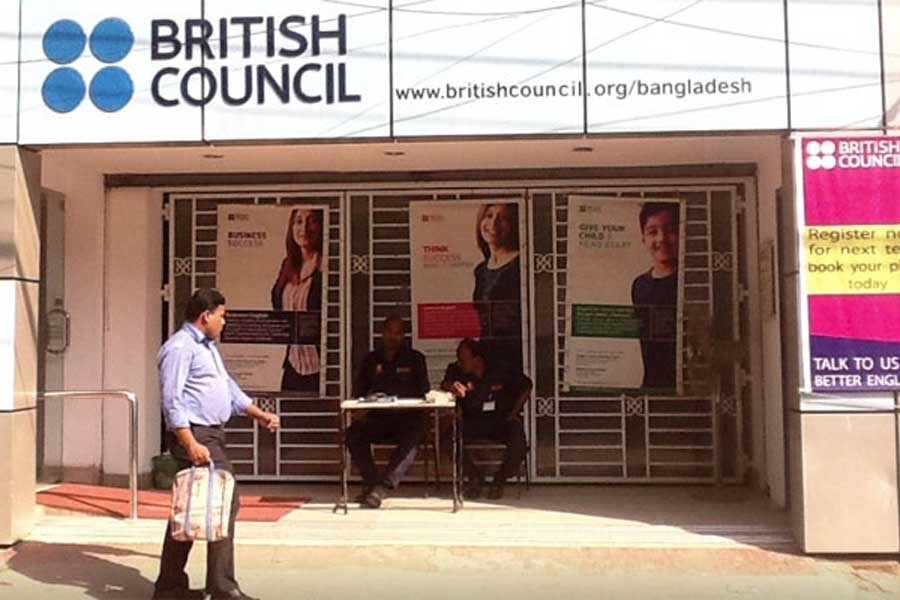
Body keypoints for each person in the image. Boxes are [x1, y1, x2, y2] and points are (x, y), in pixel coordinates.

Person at [154, 288, 280, 600]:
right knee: (224, 500)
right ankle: (222, 587)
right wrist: (190, 443)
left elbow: (227, 387)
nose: (224, 322)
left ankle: (170, 586)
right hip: (196, 435)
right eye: (221, 316)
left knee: (193, 504)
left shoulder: (207, 347)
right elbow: (172, 400)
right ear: (205, 315)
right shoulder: (180, 348)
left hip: (210, 434)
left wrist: (258, 414)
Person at [346, 316, 430, 509]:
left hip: (407, 419)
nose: (393, 336)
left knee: (414, 436)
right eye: (389, 331)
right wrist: (359, 408)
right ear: (382, 333)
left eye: (398, 332)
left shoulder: (416, 359)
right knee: (353, 434)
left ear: (404, 335)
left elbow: (424, 391)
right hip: (379, 419)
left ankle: (382, 487)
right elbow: (359, 391)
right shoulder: (371, 359)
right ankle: (372, 482)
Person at [445, 338, 530, 500]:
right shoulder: (456, 370)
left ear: (477, 359)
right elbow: (445, 384)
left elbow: (527, 385)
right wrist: (452, 387)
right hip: (473, 419)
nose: (460, 363)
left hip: (501, 420)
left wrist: (515, 412)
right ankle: (474, 477)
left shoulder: (500, 369)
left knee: (519, 444)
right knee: (448, 440)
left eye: (463, 360)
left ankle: (500, 479)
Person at [271, 208, 324, 393]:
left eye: (312, 221)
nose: (304, 228)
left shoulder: (326, 266)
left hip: (320, 367)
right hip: (293, 365)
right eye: (299, 221)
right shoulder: (288, 265)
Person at [630, 202, 680, 390]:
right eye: (653, 232)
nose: (662, 238)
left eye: (671, 230)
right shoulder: (639, 285)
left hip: (686, 386)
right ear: (643, 238)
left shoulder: (693, 281)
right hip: (651, 386)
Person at [472, 203, 523, 369]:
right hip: (486, 355)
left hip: (512, 356)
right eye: (489, 215)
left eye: (503, 218)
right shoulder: (481, 270)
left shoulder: (520, 265)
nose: (493, 223)